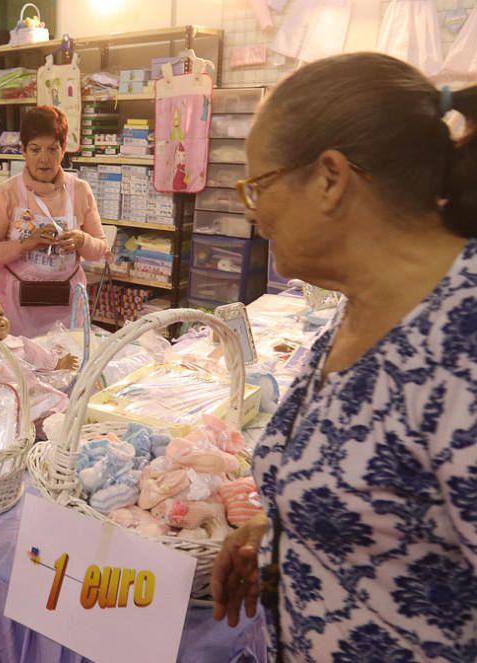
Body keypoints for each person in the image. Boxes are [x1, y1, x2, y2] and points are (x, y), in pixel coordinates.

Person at [211, 53, 477, 663]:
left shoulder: (462, 341)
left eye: (259, 185)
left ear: (330, 177)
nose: (251, 209)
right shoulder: (360, 307)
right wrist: (285, 534)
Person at [0, 106, 107, 337]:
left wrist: (81, 240)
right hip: (14, 309)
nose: (44, 159)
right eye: (35, 150)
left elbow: (100, 249)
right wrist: (24, 245)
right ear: (23, 150)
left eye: (52, 149)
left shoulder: (80, 190)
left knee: (67, 366)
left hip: (67, 308)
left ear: (63, 149)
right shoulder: (8, 193)